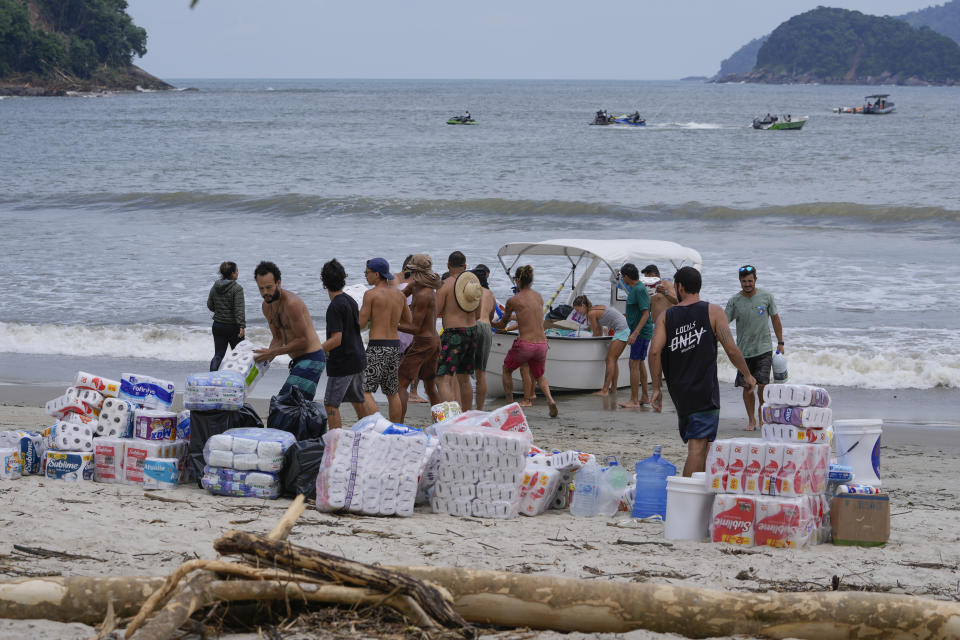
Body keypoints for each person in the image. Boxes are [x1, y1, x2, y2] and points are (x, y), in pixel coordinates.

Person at [648, 267, 757, 477]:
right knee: (698, 446)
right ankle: (686, 495)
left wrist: (656, 388)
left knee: (704, 444)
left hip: (679, 391)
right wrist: (747, 374)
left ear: (680, 287)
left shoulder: (665, 316)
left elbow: (654, 352)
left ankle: (699, 494)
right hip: (703, 389)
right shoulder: (713, 311)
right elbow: (731, 349)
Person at [252, 261, 325, 401]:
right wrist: (262, 363)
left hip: (312, 358)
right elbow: (278, 338)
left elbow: (304, 341)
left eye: (269, 287)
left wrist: (273, 352)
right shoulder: (266, 307)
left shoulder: (292, 304)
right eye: (261, 288)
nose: (265, 292)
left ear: (278, 282)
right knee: (296, 409)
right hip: (297, 361)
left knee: (284, 403)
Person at [492, 265, 558, 417]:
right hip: (542, 344)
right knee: (539, 375)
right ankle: (550, 400)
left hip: (525, 345)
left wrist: (490, 323)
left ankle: (509, 404)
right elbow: (529, 317)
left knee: (506, 370)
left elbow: (502, 323)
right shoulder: (539, 297)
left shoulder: (513, 300)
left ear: (517, 280)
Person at [724, 264, 784, 431]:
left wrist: (781, 342)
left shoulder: (766, 297)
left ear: (755, 280)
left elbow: (776, 320)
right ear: (740, 281)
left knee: (763, 386)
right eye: (744, 281)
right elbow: (723, 323)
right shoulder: (734, 301)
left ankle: (762, 418)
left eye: (750, 281)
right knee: (748, 387)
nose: (747, 284)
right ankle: (751, 421)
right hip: (743, 352)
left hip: (764, 348)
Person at [358, 257, 412, 423]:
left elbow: (360, 324)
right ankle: (395, 427)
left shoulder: (370, 294)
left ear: (377, 274)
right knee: (391, 392)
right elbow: (408, 321)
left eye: (367, 273)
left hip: (377, 347)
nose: (365, 276)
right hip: (394, 346)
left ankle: (377, 425)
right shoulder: (399, 295)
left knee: (364, 390)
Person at [320, 259, 368, 430]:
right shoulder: (350, 300)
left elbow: (336, 339)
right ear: (343, 278)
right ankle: (367, 433)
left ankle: (336, 442)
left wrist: (316, 351)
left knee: (331, 405)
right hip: (358, 357)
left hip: (343, 363)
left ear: (324, 282)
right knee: (358, 400)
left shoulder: (334, 306)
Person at [396, 254, 443, 422]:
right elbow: (400, 296)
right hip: (433, 341)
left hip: (423, 342)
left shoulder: (425, 294)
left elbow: (415, 328)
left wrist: (392, 323)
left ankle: (398, 424)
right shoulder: (417, 286)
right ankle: (441, 423)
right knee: (430, 386)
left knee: (401, 383)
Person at [436, 251, 482, 410]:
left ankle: (452, 418)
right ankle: (467, 416)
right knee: (464, 379)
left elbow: (436, 312)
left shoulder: (445, 285)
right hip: (472, 331)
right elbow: (478, 313)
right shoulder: (474, 285)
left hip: (454, 333)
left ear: (448, 266)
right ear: (465, 266)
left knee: (442, 379)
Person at [571, 295, 629, 397]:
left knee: (609, 359)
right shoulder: (595, 308)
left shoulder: (591, 313)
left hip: (621, 330)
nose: (577, 313)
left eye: (578, 310)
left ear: (583, 306)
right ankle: (613, 388)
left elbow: (597, 333)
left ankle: (605, 390)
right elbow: (600, 330)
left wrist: (587, 338)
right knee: (613, 360)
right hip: (624, 328)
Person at [618, 263, 653, 408]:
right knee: (639, 363)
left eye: (622, 276)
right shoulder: (634, 289)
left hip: (641, 332)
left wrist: (635, 333)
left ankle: (633, 400)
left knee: (633, 363)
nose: (621, 278)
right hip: (639, 331)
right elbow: (637, 311)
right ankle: (644, 397)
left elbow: (646, 314)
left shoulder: (639, 289)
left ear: (626, 276)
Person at [206, 261, 245, 371]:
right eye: (237, 271)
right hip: (233, 327)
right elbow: (239, 309)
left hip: (217, 326)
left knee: (218, 355)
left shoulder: (215, 286)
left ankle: (211, 378)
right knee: (239, 356)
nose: (238, 273)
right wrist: (242, 326)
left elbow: (210, 305)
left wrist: (219, 310)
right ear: (232, 273)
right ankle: (237, 380)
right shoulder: (237, 288)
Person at [472, 264, 497, 410]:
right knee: (481, 373)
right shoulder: (490, 294)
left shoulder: (471, 291)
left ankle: (464, 407)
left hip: (473, 325)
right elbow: (491, 315)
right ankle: (479, 410)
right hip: (487, 327)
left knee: (463, 372)